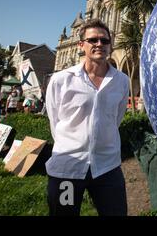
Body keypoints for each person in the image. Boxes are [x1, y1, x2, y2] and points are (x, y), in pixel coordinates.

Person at [45, 18, 129, 216]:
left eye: (104, 40)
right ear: (81, 44)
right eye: (93, 40)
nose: (99, 44)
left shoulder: (121, 81)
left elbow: (116, 118)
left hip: (108, 167)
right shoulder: (61, 80)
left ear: (111, 44)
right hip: (68, 166)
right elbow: (54, 121)